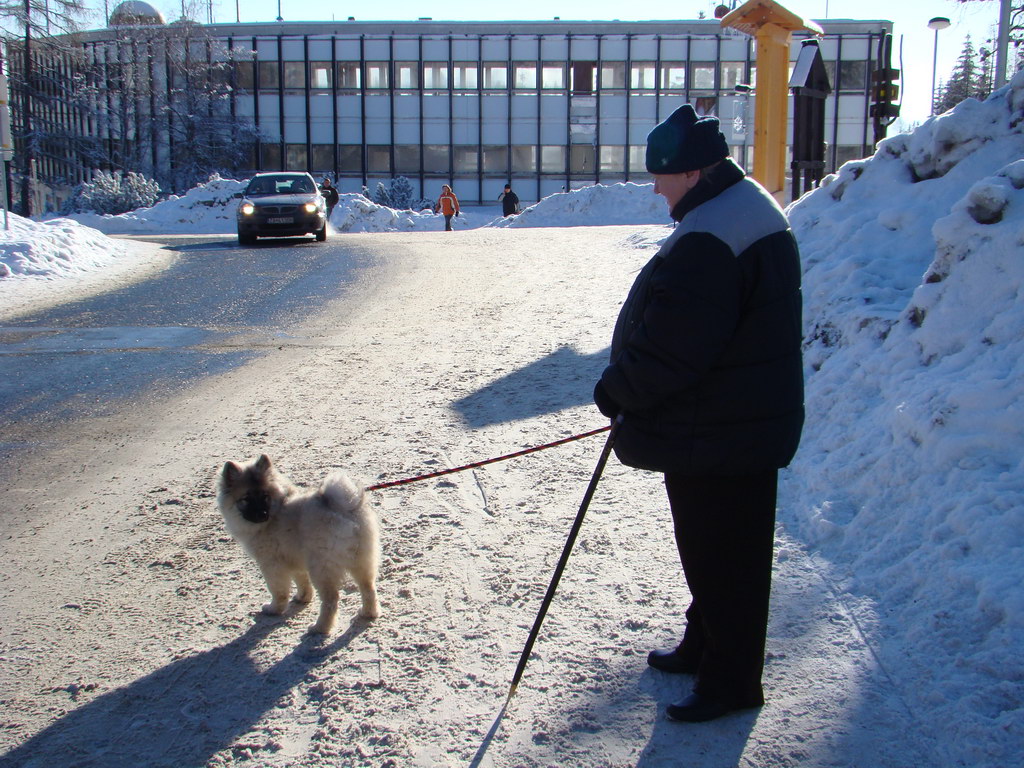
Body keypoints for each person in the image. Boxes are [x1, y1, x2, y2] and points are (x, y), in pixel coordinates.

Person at [593, 104, 804, 723]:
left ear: (691, 173)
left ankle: (732, 681)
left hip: (721, 428)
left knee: (725, 554)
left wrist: (619, 389)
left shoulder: (714, 235)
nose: (656, 187)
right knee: (716, 548)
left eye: (662, 176)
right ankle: (706, 642)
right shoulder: (734, 210)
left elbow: (675, 344)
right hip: (728, 421)